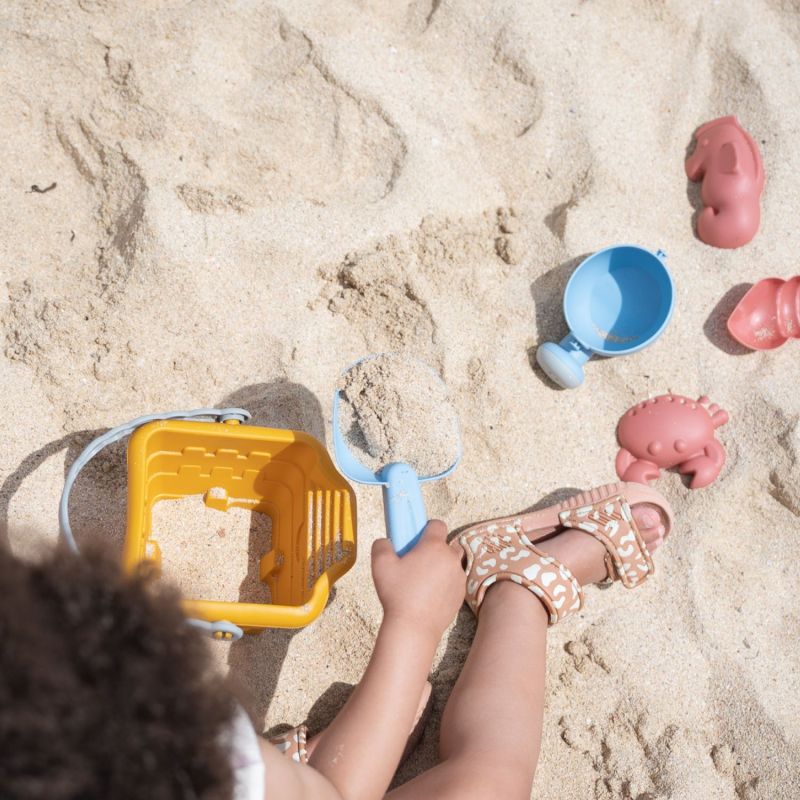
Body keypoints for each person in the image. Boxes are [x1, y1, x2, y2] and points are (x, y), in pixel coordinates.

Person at [0, 482, 671, 800]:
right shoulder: (143, 746)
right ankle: (518, 588)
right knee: (489, 780)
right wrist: (412, 624)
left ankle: (300, 758)